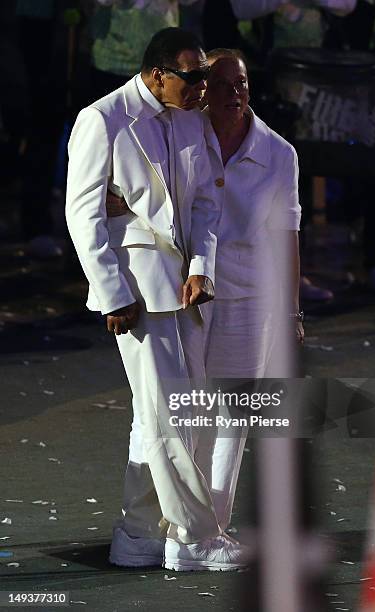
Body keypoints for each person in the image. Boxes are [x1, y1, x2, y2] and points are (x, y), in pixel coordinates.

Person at [66, 27, 247, 571]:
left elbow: (207, 204)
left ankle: (139, 532)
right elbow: (83, 215)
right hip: (137, 291)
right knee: (171, 413)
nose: (201, 86)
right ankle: (194, 537)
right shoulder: (102, 119)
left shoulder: (192, 116)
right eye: (191, 77)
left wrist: (201, 267)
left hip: (187, 291)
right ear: (156, 75)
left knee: (165, 416)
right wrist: (112, 293)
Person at [106, 47, 303, 531]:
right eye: (219, 84)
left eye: (241, 84)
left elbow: (287, 239)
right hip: (181, 296)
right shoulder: (175, 133)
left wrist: (291, 312)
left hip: (250, 300)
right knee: (168, 411)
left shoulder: (279, 153)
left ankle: (207, 529)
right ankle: (146, 528)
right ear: (198, 89)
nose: (232, 94)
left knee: (230, 419)